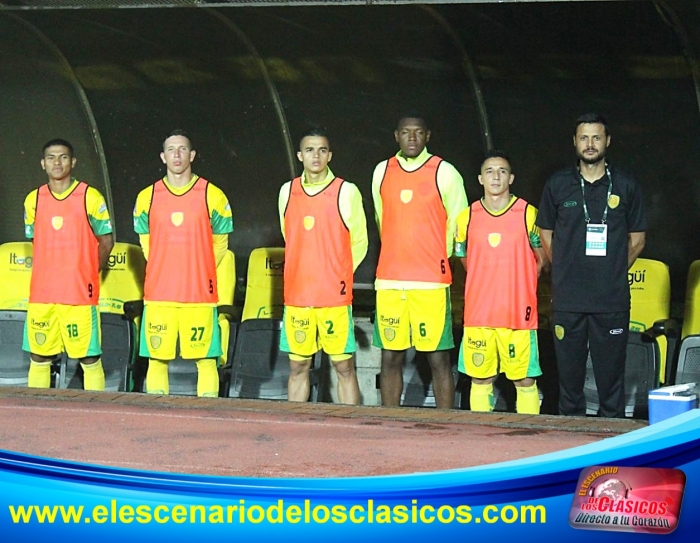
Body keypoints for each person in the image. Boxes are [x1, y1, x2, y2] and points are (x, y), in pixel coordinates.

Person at [537, 113, 648, 418]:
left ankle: (611, 437)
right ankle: (571, 443)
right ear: (575, 142)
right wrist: (564, 266)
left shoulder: (625, 184)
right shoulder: (559, 184)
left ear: (607, 141)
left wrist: (612, 270)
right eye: (584, 138)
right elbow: (545, 231)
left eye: (596, 137)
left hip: (610, 300)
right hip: (568, 299)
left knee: (610, 380)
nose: (590, 144)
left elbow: (637, 239)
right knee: (569, 380)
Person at [372, 114, 468, 409]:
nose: (411, 138)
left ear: (428, 136)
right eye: (405, 132)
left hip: (430, 281)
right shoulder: (382, 171)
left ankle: (445, 425)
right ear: (396, 136)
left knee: (438, 358)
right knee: (390, 356)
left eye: (418, 133)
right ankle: (390, 421)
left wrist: (440, 257)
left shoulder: (445, 172)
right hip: (390, 279)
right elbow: (381, 219)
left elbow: (460, 221)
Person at [133, 130, 233, 397]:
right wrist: (167, 266)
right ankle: (159, 420)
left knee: (206, 360)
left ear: (192, 155)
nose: (177, 154)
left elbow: (221, 245)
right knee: (157, 358)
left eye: (182, 149)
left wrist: (198, 270)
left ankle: (207, 421)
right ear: (163, 157)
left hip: (199, 294)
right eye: (171, 150)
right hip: (159, 293)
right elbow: (147, 245)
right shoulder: (147, 197)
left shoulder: (213, 195)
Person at [278, 128, 368, 403]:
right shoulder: (287, 191)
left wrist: (336, 275)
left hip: (333, 298)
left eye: (321, 150)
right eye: (309, 150)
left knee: (343, 366)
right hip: (298, 297)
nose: (315, 156)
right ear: (299, 155)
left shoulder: (346, 191)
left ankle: (350, 429)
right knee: (298, 366)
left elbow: (360, 243)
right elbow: (289, 236)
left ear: (329, 155)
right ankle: (295, 429)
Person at [454, 151, 546, 414]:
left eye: (502, 171)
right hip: (479, 314)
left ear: (512, 178)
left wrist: (521, 281)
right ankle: (480, 440)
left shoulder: (528, 214)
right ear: (480, 178)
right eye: (490, 171)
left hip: (517, 314)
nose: (496, 176)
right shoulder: (467, 217)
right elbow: (462, 255)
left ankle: (528, 440)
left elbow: (542, 259)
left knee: (524, 379)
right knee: (480, 378)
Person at [24, 139, 114, 390]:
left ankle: (97, 415)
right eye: (51, 157)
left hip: (78, 295)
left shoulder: (89, 196)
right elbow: (35, 239)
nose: (57, 162)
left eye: (63, 157)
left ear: (72, 162)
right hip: (42, 294)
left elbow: (106, 241)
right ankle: (38, 413)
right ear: (43, 163)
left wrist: (87, 273)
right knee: (39, 355)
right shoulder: (33, 199)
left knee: (88, 356)